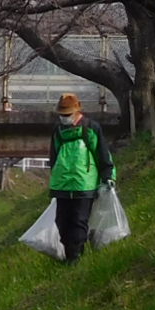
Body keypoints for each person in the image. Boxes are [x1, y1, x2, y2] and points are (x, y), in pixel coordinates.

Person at [49, 92, 117, 262]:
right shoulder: (58, 131)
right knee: (62, 223)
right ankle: (69, 252)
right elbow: (54, 156)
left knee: (79, 221)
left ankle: (75, 257)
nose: (64, 118)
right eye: (62, 115)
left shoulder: (91, 128)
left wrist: (108, 175)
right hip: (62, 185)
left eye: (67, 115)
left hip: (84, 185)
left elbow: (102, 154)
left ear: (77, 112)